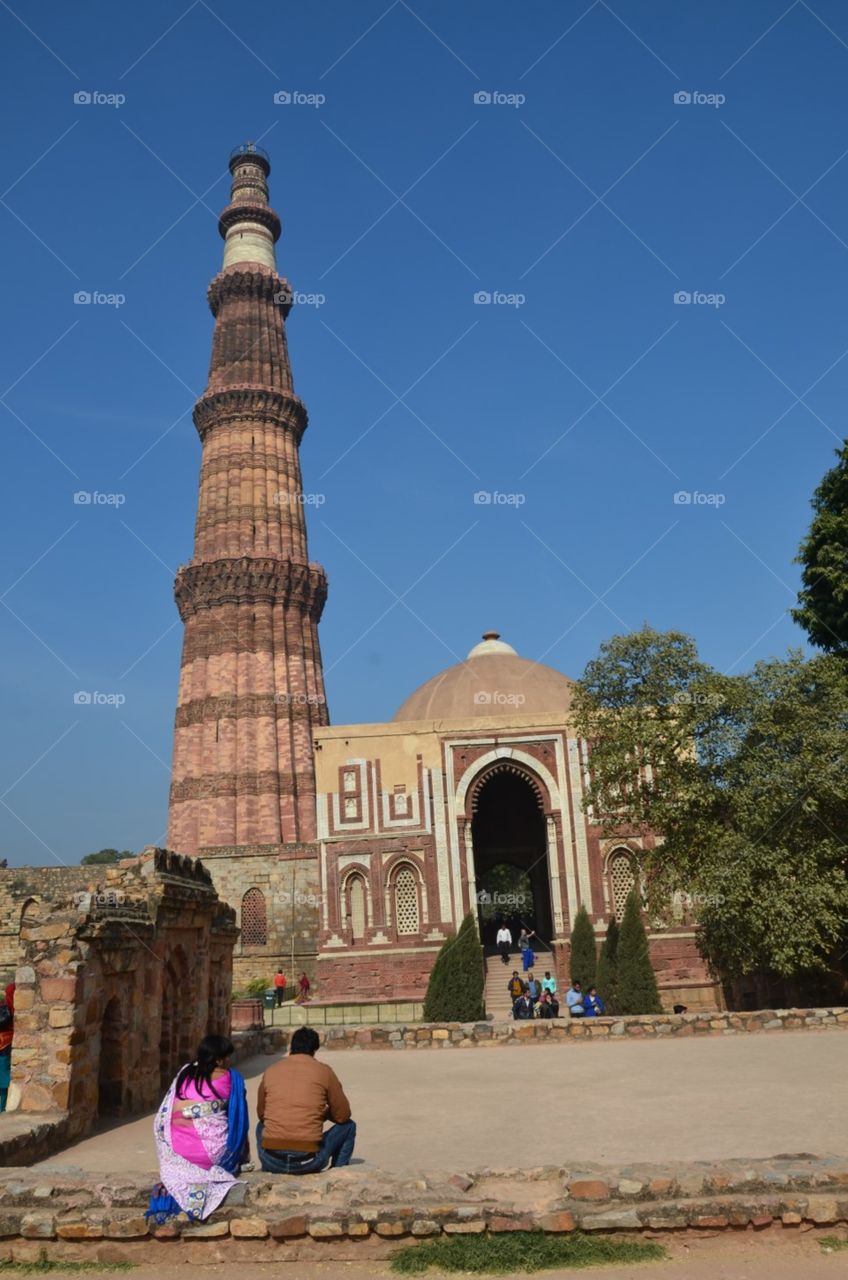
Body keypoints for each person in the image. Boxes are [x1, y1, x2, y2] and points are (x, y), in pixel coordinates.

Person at [147, 1034, 249, 1223]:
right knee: (237, 1120)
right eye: (228, 1057)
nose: (230, 1061)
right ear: (219, 1059)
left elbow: (170, 1108)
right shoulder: (231, 1078)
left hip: (176, 1152)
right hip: (210, 1154)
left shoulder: (185, 1072)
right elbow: (238, 1119)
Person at [256, 1027, 355, 1174]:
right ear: (315, 1049)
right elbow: (343, 1115)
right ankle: (337, 1174)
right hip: (308, 1161)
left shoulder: (271, 1070)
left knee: (261, 1125)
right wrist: (323, 1114)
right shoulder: (324, 1071)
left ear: (292, 1046)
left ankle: (270, 1165)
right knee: (349, 1127)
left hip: (272, 1160)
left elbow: (262, 1114)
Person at [0, 983, 14, 1112]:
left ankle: (2, 1108)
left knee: (3, 1080)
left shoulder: (7, 1007)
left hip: (4, 1046)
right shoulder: (8, 1007)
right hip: (5, 1044)